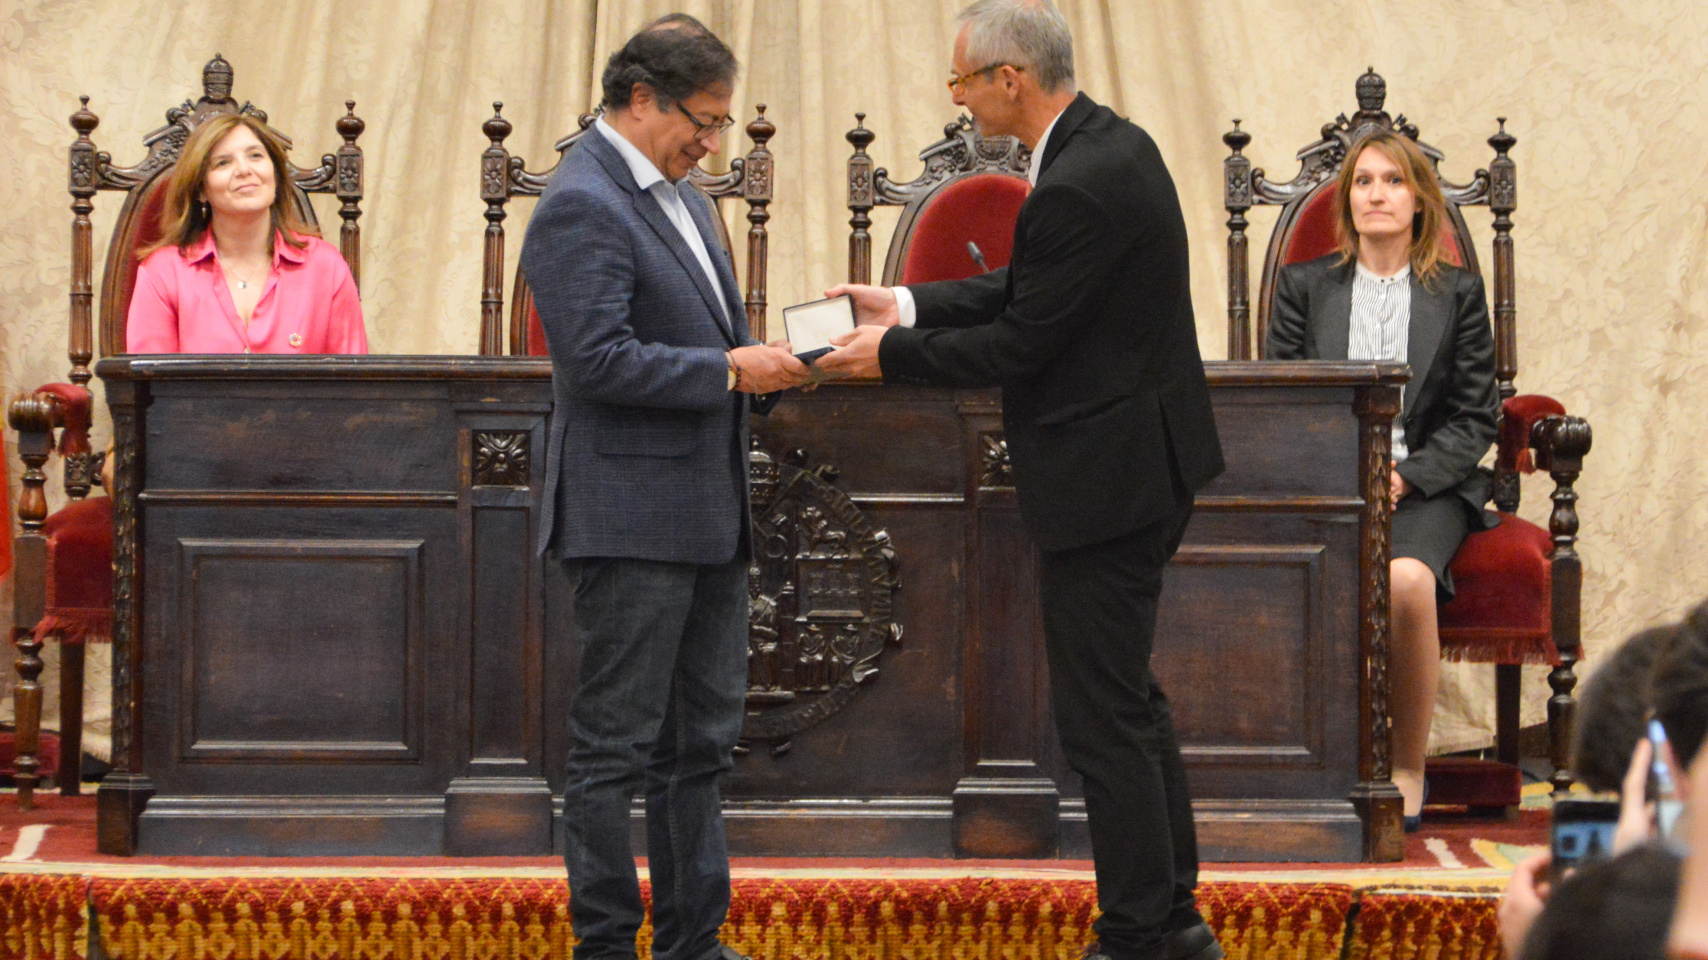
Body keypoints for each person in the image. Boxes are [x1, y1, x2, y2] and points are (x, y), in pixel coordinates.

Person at [816, 3, 1224, 958]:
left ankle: (1137, 934)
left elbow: (1026, 340)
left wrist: (893, 356)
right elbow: (1026, 285)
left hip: (1107, 479)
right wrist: (906, 300)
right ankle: (1170, 916)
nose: (954, 96)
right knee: (1128, 700)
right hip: (1139, 463)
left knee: (1103, 718)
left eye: (962, 80)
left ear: (1009, 78)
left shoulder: (1080, 178)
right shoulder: (1108, 145)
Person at [517, 17, 807, 960]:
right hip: (630, 523)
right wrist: (729, 370)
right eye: (704, 119)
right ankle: (605, 945)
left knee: (700, 751)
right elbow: (596, 363)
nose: (713, 141)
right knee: (613, 754)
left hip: (707, 519)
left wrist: (773, 364)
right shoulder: (582, 201)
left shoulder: (680, 195)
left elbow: (690, 332)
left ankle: (696, 944)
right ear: (640, 98)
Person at [1266, 128, 1499, 831]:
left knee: (1405, 579)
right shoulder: (1305, 288)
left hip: (1424, 488)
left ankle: (1405, 768)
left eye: (1394, 182)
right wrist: (1342, 472)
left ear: (1419, 200)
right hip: (1325, 480)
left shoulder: (1455, 292)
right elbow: (1283, 398)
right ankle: (1291, 762)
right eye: (1364, 181)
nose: (1377, 194)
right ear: (1347, 200)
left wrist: (1403, 477)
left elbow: (1474, 416)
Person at [127, 112, 367, 354]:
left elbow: (352, 384)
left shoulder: (325, 266)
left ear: (275, 174)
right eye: (223, 162)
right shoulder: (163, 272)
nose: (244, 169)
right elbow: (147, 386)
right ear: (200, 189)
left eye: (255, 156)